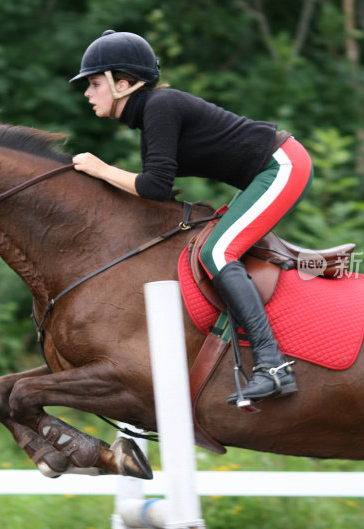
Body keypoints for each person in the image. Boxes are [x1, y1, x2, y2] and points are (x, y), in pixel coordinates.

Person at [70, 30, 312, 404]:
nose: (88, 92)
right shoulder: (150, 116)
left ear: (124, 84)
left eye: (94, 83)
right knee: (211, 248)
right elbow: (160, 192)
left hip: (282, 165)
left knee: (216, 253)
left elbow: (153, 187)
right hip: (263, 173)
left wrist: (101, 168)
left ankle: (272, 365)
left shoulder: (159, 107)